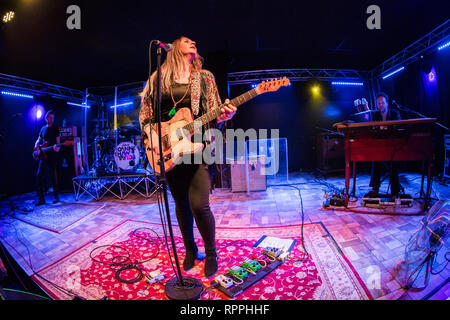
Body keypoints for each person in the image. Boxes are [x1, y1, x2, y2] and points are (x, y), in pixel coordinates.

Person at [139, 36, 237, 278]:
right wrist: (153, 138)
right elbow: (145, 114)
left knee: (199, 204)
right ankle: (191, 250)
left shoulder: (205, 77)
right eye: (186, 40)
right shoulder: (158, 79)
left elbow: (215, 113)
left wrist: (223, 117)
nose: (193, 41)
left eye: (194, 41)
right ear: (174, 48)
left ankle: (211, 252)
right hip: (168, 150)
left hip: (199, 147)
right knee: (181, 204)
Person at [369, 92, 402, 196]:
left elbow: (399, 128)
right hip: (380, 145)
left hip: (393, 145)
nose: (380, 105)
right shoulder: (375, 115)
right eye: (378, 103)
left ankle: (395, 191)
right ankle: (375, 188)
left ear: (387, 103)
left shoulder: (395, 113)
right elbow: (373, 130)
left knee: (393, 164)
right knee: (375, 159)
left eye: (382, 103)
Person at [35, 110, 61, 205]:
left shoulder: (55, 128)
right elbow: (39, 139)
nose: (51, 119)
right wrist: (36, 145)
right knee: (39, 175)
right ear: (46, 118)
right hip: (43, 154)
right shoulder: (43, 129)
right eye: (50, 117)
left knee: (52, 175)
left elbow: (58, 143)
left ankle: (56, 196)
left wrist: (57, 148)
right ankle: (41, 199)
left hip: (52, 155)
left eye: (53, 118)